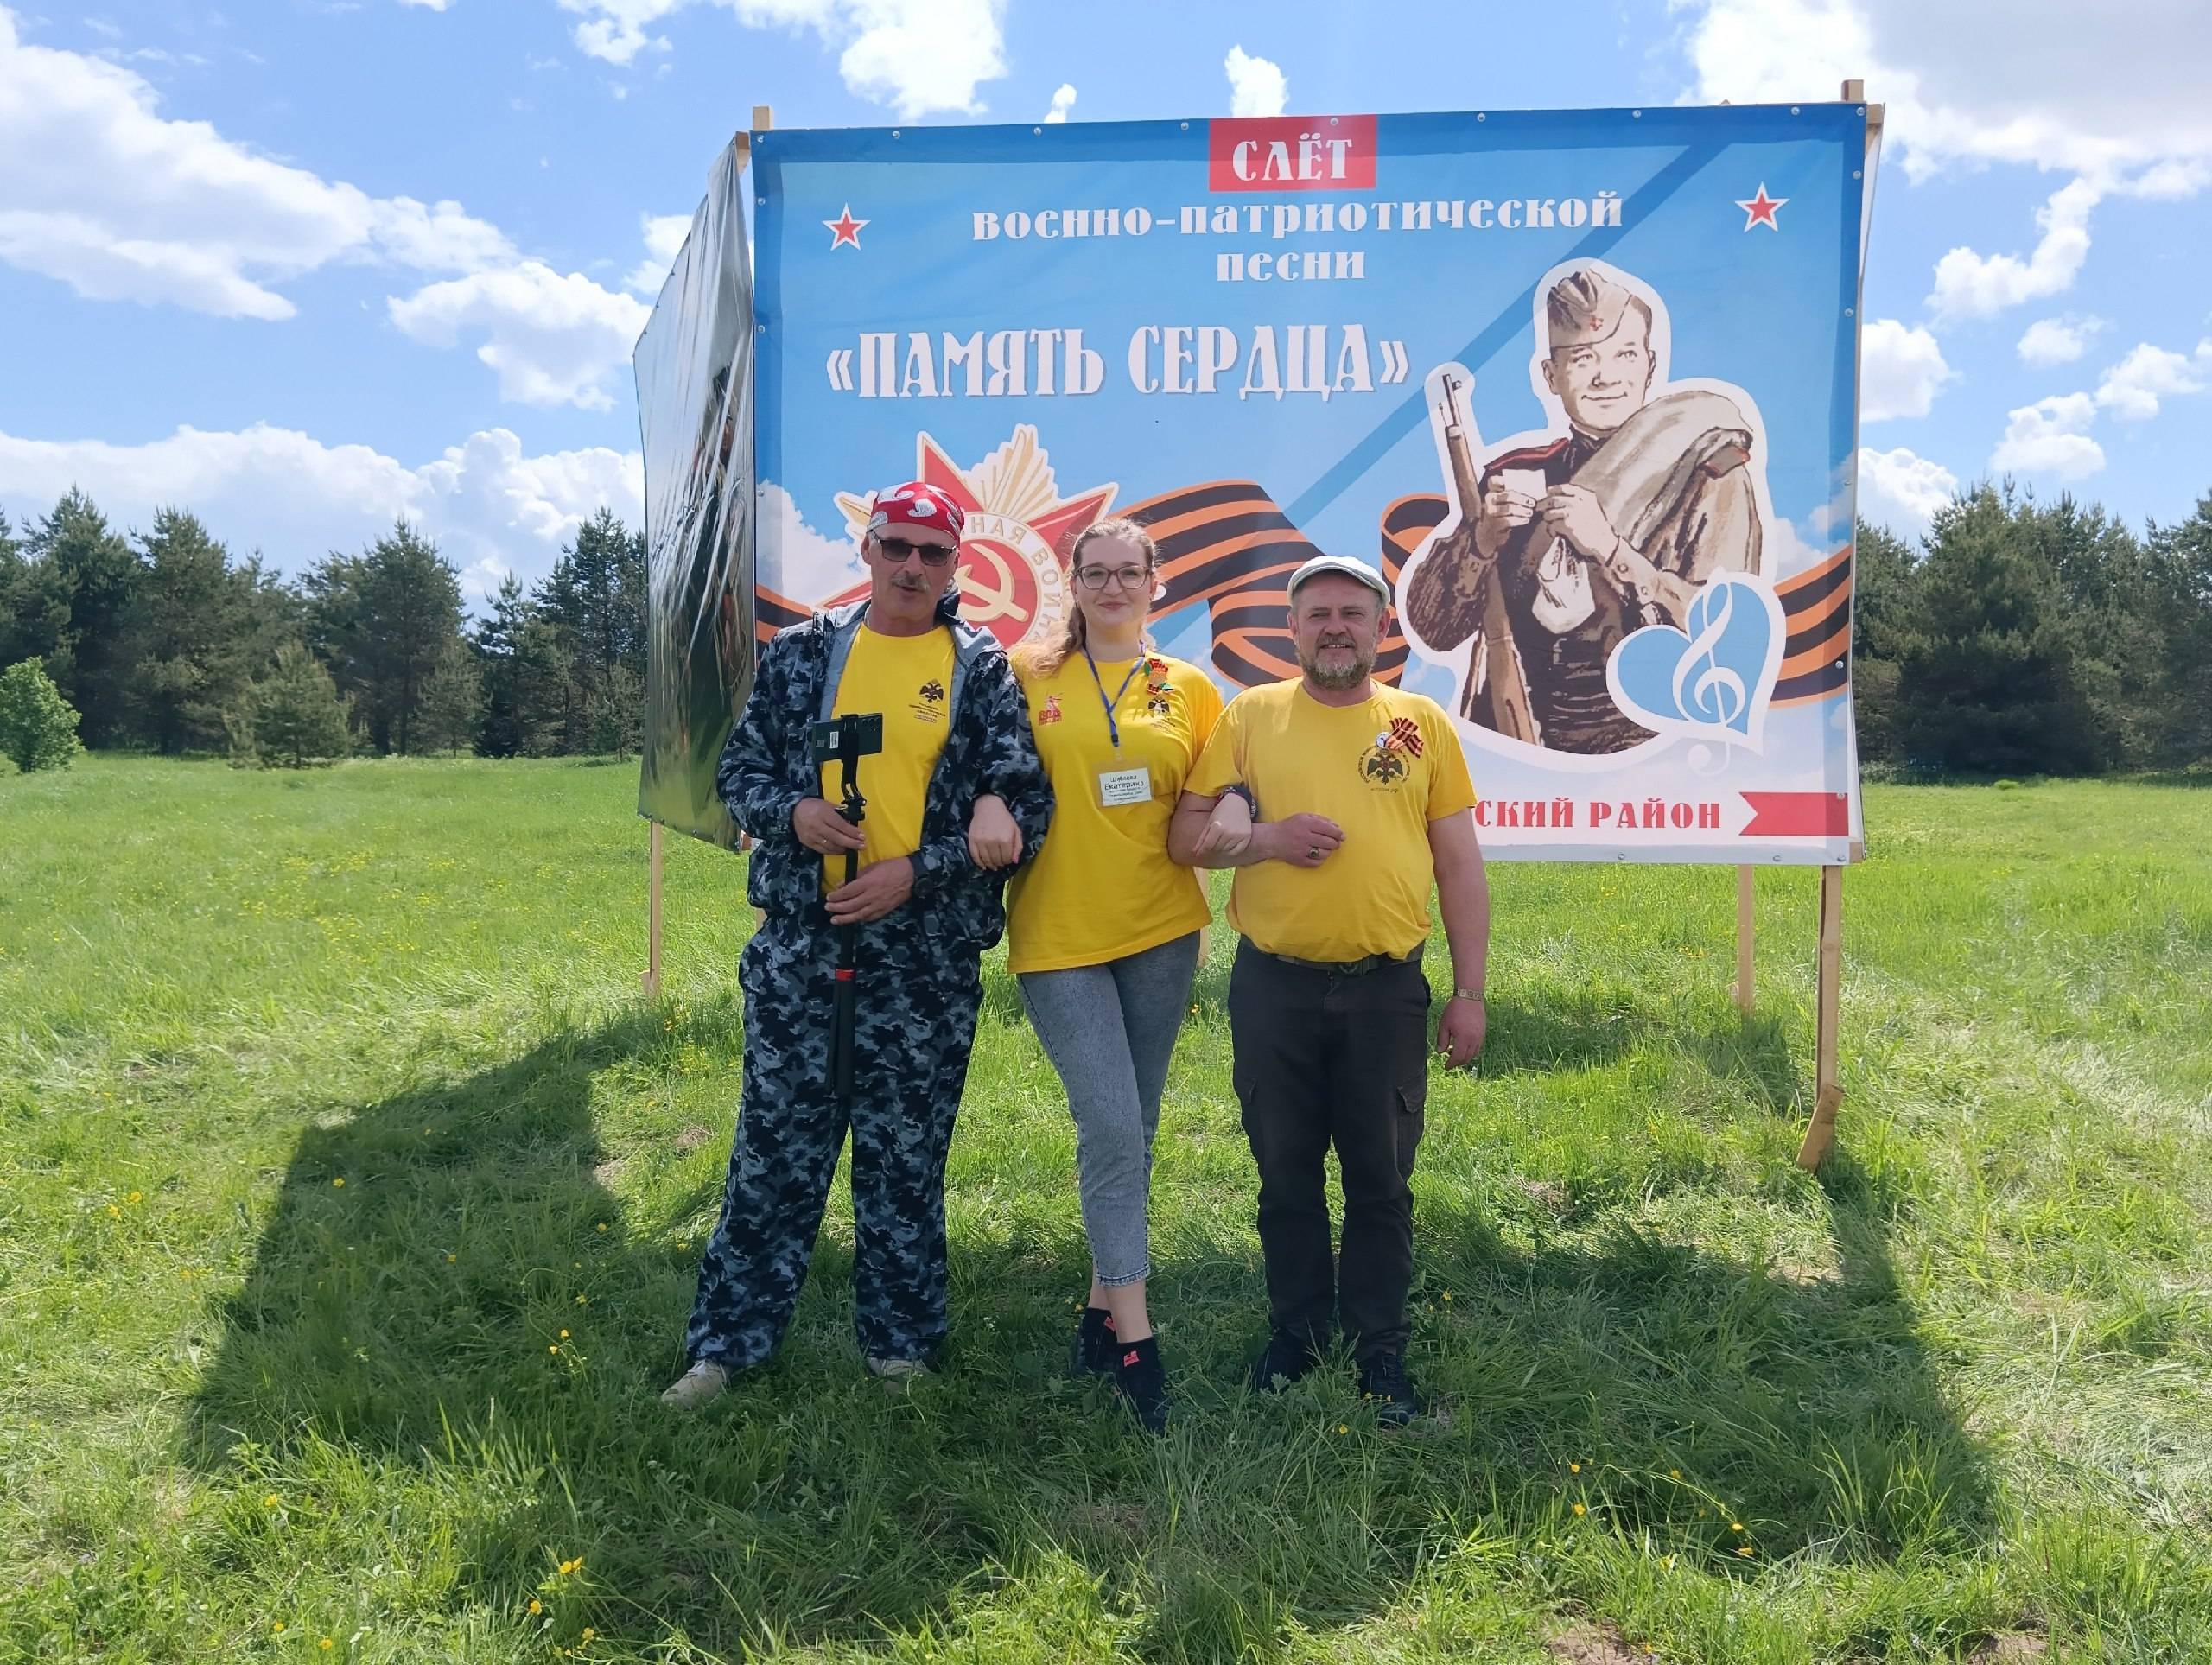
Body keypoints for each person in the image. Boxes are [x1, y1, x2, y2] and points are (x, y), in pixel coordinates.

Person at [662, 480, 1053, 1409]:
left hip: (923, 960)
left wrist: (918, 869)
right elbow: (739, 770)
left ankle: (899, 1349)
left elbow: (1023, 804)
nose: (912, 566)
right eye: (896, 547)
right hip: (804, 947)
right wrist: (794, 813)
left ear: (955, 565)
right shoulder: (803, 653)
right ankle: (725, 1350)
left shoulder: (979, 667)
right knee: (772, 1154)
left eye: (932, 552)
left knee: (905, 1160)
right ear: (868, 549)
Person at [1169, 554, 1491, 1426]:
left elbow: (1459, 864)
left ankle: (1379, 1348)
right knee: (1284, 1173)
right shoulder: (1250, 716)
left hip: (1386, 989)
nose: (1335, 627)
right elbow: (1187, 839)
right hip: (1273, 988)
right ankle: (1298, 1334)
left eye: (1352, 612)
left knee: (1381, 1179)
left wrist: (1470, 991)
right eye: (1318, 614)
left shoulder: (1419, 724)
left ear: (1382, 627)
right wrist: (1268, 838)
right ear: (1293, 628)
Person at [966, 517, 1223, 1433]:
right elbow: (978, 764)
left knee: (1134, 1130)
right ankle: (1138, 1342)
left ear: (1156, 583)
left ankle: (1097, 1313)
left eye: (1129, 572)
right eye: (1096, 572)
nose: (1113, 586)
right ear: (1071, 583)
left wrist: (1239, 814)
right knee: (1109, 1125)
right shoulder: (1024, 673)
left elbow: (1214, 794)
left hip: (1162, 932)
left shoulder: (1190, 689)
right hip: (1058, 937)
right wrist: (987, 796)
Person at [1404, 262, 1764, 753]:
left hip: (1644, 748)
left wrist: (1612, 550)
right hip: (1511, 741)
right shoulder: (1512, 477)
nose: (1605, 377)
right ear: (1551, 376)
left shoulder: (1707, 473)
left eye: (1624, 354)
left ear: (1649, 366)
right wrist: (1481, 542)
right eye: (1582, 358)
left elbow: (1726, 638)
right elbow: (1434, 630)